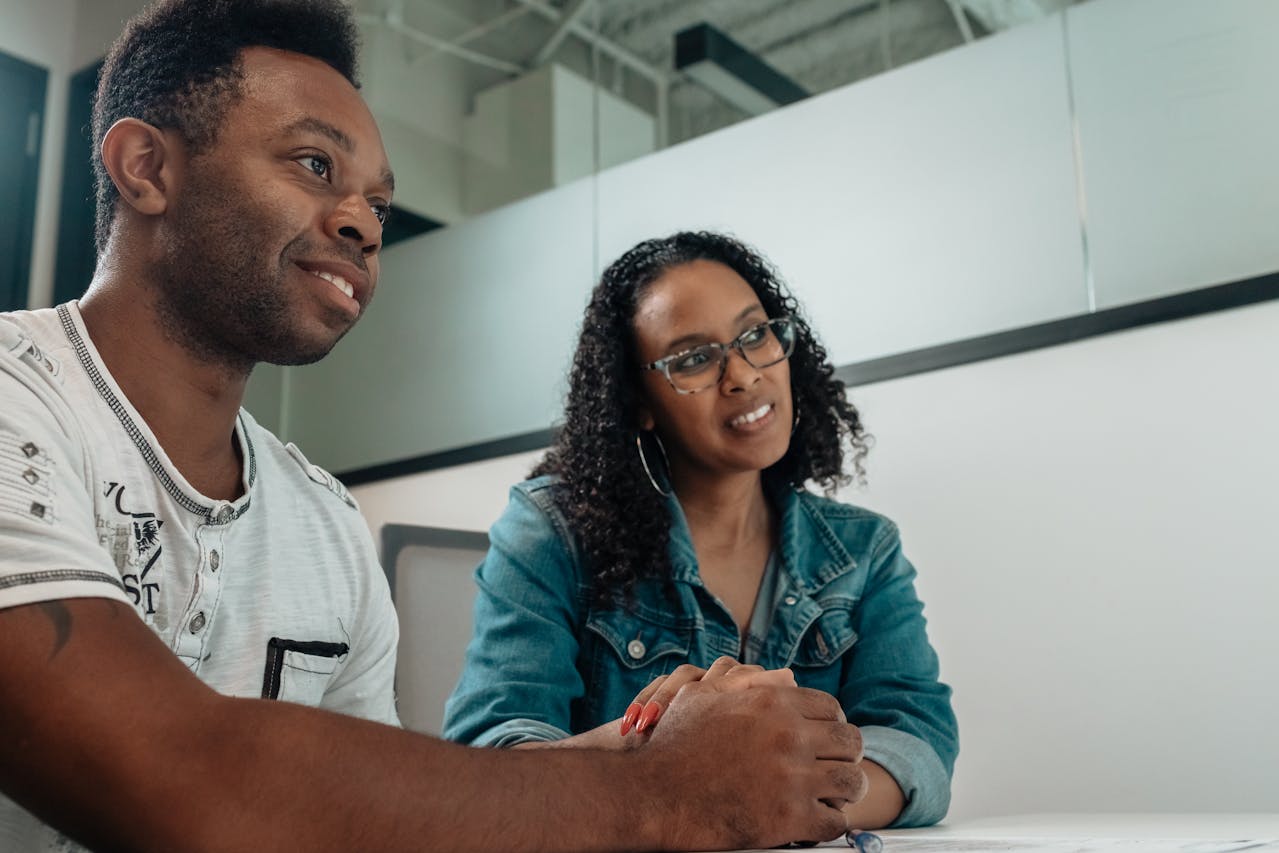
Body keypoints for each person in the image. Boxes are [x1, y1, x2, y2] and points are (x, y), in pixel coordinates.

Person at [0, 2, 867, 850]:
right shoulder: (16, 393)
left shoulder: (325, 523)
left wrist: (648, 750)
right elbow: (176, 773)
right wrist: (660, 789)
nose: (361, 226)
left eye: (377, 205)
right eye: (313, 164)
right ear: (146, 165)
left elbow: (374, 822)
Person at [443, 232, 959, 829]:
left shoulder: (864, 550)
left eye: (755, 335)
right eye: (693, 359)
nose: (741, 376)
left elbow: (916, 739)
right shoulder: (551, 530)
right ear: (638, 401)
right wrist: (674, 773)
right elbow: (494, 755)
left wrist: (778, 802)